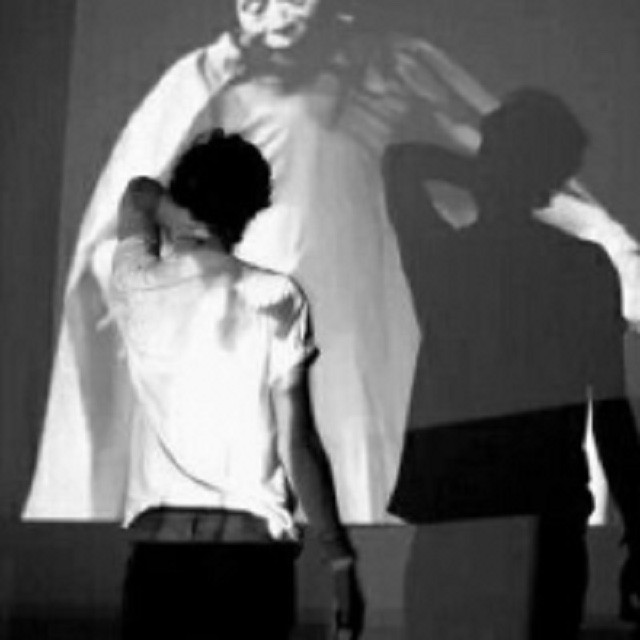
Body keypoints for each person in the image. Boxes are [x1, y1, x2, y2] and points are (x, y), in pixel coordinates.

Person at [24, 0, 640, 524]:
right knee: (260, 443)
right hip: (246, 313)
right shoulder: (205, 79)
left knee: (341, 431)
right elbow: (127, 208)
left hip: (354, 313)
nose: (273, 12)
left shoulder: (390, 68)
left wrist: (617, 257)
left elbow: (500, 160)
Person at [388, 89, 640, 639]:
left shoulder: (444, 259)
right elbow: (612, 410)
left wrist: (491, 175)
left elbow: (402, 162)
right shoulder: (584, 266)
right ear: (553, 176)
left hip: (452, 510)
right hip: (544, 514)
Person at [111, 129, 364, 639]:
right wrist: (339, 558)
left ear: (183, 194)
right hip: (248, 558)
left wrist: (175, 213)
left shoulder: (137, 283)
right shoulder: (277, 296)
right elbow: (297, 443)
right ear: (251, 209)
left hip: (159, 557)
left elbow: (138, 194)